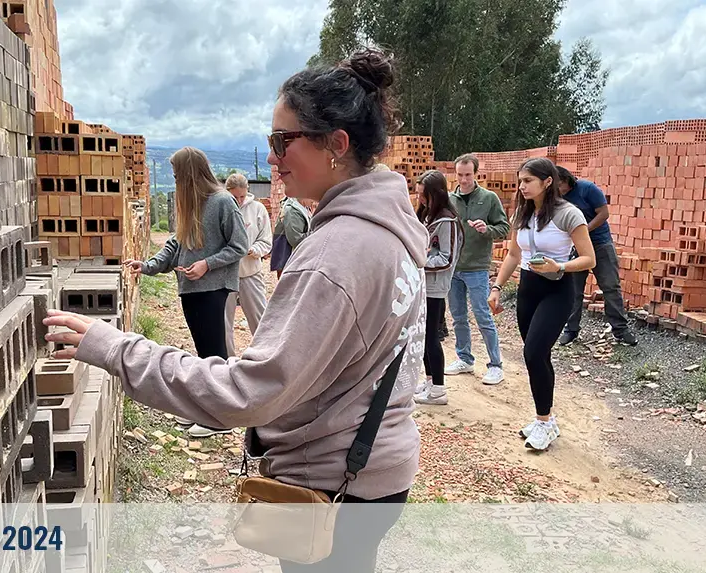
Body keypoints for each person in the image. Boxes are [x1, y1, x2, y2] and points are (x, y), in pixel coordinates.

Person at [44, 47, 427, 573]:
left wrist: (114, 348)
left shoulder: (336, 255)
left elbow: (246, 393)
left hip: (333, 486)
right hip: (377, 467)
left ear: (336, 145)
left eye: (282, 141)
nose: (271, 158)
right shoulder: (393, 230)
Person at [122, 146, 249, 438]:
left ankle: (222, 419)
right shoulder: (190, 204)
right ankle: (206, 410)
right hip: (190, 289)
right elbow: (174, 245)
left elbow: (239, 246)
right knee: (204, 354)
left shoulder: (223, 202)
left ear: (191, 174)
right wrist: (148, 266)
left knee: (213, 355)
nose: (176, 179)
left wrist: (206, 264)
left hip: (213, 288)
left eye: (178, 174)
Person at [488, 158, 595, 450]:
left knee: (534, 352)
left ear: (548, 182)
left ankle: (544, 422)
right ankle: (546, 419)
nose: (522, 186)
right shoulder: (522, 213)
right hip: (528, 289)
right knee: (537, 355)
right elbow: (513, 254)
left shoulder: (568, 214)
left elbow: (589, 259)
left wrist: (558, 266)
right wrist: (496, 287)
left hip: (557, 289)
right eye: (520, 181)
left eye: (528, 181)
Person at [445, 154, 510, 385]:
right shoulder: (449, 199)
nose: (463, 180)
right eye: (460, 175)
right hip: (453, 267)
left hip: (477, 267)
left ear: (476, 174)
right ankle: (464, 358)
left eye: (468, 175)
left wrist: (487, 229)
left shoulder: (489, 198)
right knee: (458, 317)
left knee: (483, 315)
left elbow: (504, 228)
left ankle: (495, 365)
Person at [556, 166, 638, 346]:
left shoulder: (587, 189)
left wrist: (584, 231)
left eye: (560, 185)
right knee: (573, 290)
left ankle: (620, 330)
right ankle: (571, 330)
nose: (558, 189)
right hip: (575, 247)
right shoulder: (556, 197)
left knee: (610, 286)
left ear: (567, 180)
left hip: (600, 243)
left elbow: (603, 213)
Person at [413, 170, 463, 406]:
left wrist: (420, 261)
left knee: (432, 337)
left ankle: (439, 390)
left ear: (437, 194)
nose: (420, 199)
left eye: (424, 195)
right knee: (423, 337)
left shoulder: (447, 221)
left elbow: (447, 258)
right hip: (424, 284)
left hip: (435, 287)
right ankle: (430, 381)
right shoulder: (428, 215)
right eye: (418, 194)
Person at [223, 173, 272, 356]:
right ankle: (227, 361)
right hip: (225, 275)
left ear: (247, 191)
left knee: (260, 319)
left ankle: (264, 358)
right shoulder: (221, 208)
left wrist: (255, 250)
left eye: (242, 196)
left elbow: (266, 240)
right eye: (234, 197)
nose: (239, 201)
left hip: (251, 272)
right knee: (223, 323)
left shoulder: (258, 209)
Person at [269, 195, 311, 278]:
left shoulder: (301, 207)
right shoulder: (292, 211)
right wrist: (316, 233)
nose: (314, 202)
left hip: (291, 260)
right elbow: (296, 240)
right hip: (289, 260)